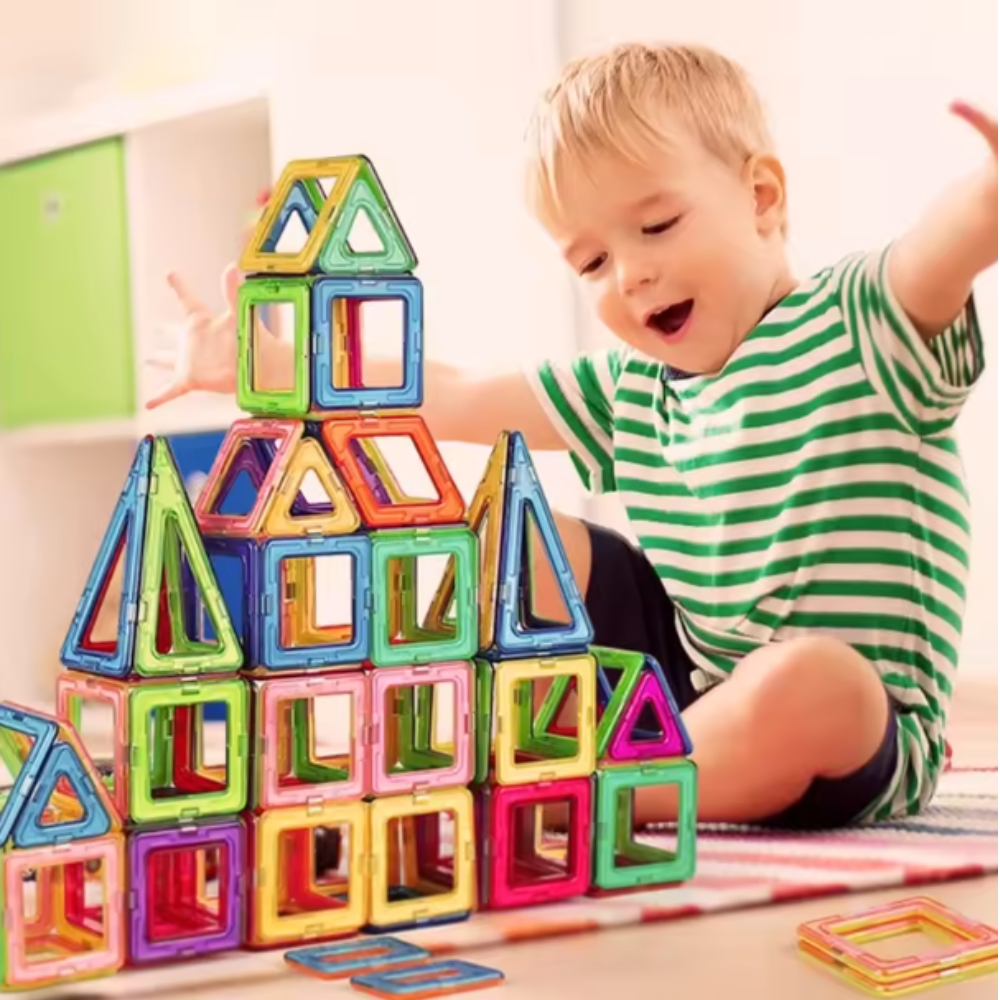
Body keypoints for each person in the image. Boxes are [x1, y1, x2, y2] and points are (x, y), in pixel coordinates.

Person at [148, 43, 996, 831]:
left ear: (761, 197)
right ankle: (477, 745)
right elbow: (452, 393)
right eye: (592, 263)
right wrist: (274, 361)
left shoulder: (855, 324)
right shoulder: (629, 385)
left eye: (657, 226)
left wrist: (989, 197)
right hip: (683, 684)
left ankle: (594, 795)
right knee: (510, 529)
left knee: (815, 681)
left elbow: (938, 251)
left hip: (849, 734)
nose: (631, 274)